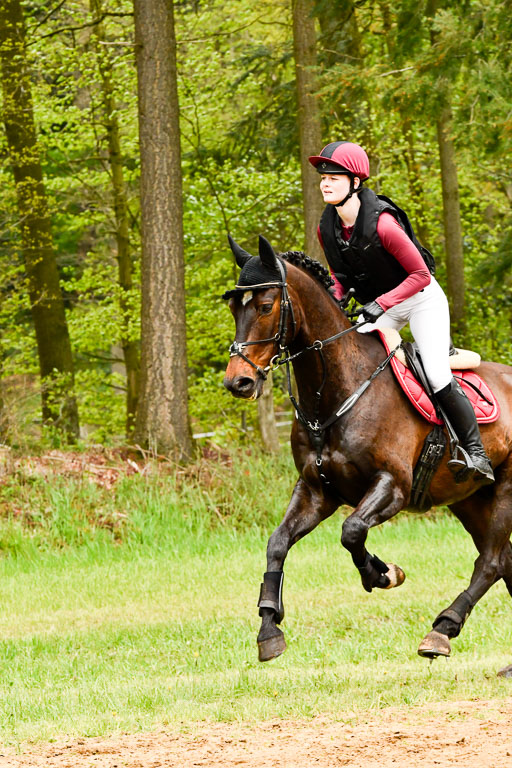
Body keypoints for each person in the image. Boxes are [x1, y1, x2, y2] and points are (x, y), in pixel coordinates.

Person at [308, 140, 494, 485]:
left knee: (437, 375)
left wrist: (379, 305)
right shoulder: (327, 227)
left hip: (421, 299)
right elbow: (338, 275)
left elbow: (421, 275)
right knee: (353, 355)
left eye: (334, 176)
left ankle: (475, 452)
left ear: (355, 182)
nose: (326, 183)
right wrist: (335, 297)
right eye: (323, 177)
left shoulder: (383, 224)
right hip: (383, 305)